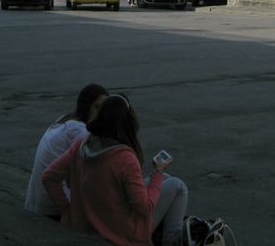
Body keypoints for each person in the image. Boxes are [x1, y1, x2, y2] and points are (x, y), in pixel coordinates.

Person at [43, 93, 188, 246]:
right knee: (177, 186)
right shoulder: (125, 159)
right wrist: (157, 173)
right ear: (128, 122)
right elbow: (143, 208)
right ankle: (172, 241)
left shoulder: (81, 145)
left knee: (165, 178)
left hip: (90, 223)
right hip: (123, 235)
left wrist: (70, 211)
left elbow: (49, 177)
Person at [25, 83, 109, 219]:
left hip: (35, 200)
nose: (101, 113)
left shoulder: (65, 120)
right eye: (96, 107)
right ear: (86, 106)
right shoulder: (80, 132)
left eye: (104, 109)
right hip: (52, 206)